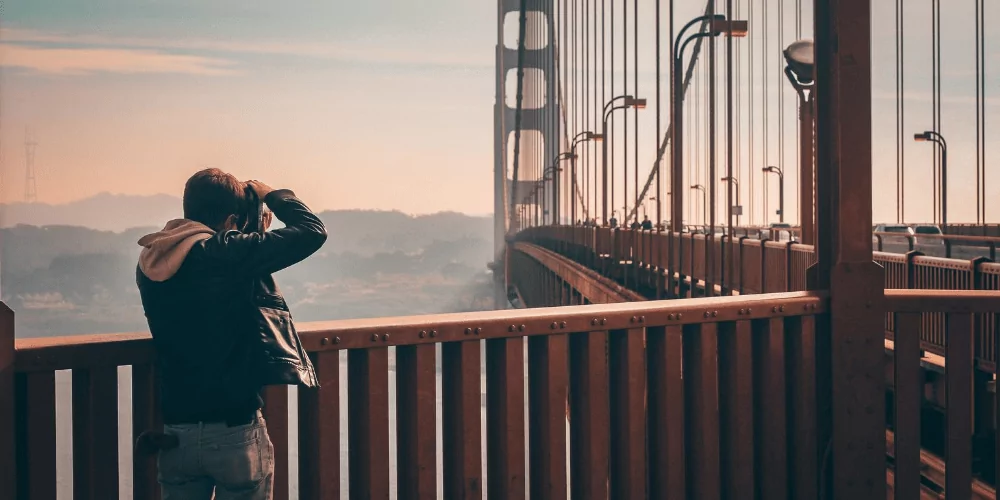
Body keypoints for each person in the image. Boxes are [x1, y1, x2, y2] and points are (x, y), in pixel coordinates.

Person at [135, 168, 327, 500]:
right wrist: (272, 195)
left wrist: (243, 231)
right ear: (230, 219)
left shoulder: (152, 258)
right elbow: (312, 232)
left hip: (176, 434)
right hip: (234, 431)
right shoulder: (225, 253)